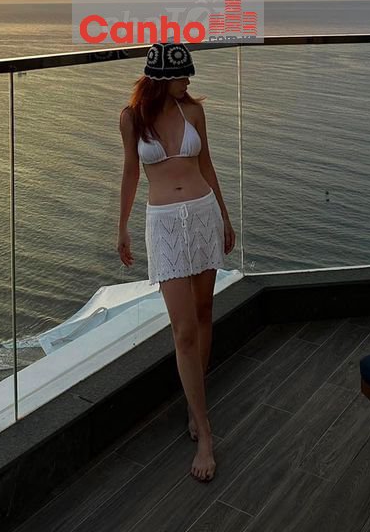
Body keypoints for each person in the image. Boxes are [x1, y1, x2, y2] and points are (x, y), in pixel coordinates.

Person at [117, 41, 236, 483]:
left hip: (203, 215)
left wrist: (224, 215)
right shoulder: (131, 119)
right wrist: (122, 227)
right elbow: (131, 171)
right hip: (163, 224)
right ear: (162, 79)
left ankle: (194, 405)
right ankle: (206, 433)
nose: (188, 81)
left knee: (204, 313)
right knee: (183, 330)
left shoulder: (194, 112)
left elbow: (208, 165)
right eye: (183, 75)